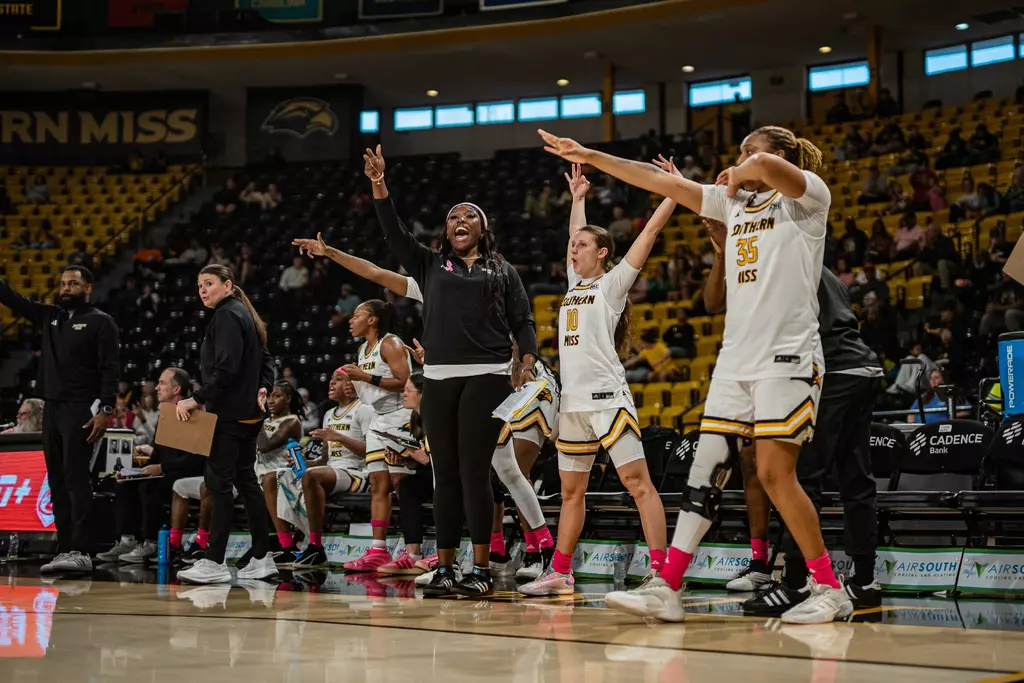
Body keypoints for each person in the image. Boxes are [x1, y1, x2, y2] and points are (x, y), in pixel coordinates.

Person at [539, 124, 851, 623]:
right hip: (734, 361)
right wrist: (593, 156)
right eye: (741, 152)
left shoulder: (809, 199)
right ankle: (666, 585)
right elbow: (658, 183)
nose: (742, 158)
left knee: (773, 474)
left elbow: (769, 170)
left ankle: (828, 588)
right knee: (703, 475)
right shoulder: (733, 205)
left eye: (751, 150)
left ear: (782, 156)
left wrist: (743, 170)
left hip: (788, 358)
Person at [292, 233, 559, 580]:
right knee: (494, 470)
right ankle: (504, 549)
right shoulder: (436, 282)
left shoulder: (496, 280)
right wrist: (331, 252)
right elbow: (376, 273)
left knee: (509, 469)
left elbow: (517, 331)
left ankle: (538, 548)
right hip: (479, 383)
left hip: (522, 381)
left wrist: (518, 362)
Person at [366, 144, 538, 598]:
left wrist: (527, 358)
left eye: (469, 216)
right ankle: (444, 568)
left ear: (483, 228)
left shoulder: (503, 270)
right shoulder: (428, 263)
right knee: (444, 473)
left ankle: (479, 568)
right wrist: (379, 184)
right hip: (438, 378)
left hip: (488, 376)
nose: (460, 221)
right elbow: (393, 233)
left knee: (475, 472)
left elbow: (523, 319)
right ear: (447, 230)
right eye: (453, 217)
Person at [519, 160, 672, 598]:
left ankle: (660, 572)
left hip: (608, 401)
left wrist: (672, 194)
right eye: (574, 246)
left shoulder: (613, 285)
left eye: (582, 246)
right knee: (571, 492)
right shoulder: (573, 285)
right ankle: (561, 572)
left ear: (602, 253)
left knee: (638, 484)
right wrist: (579, 197)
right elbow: (574, 233)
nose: (574, 249)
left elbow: (648, 236)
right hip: (573, 405)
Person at [715, 265, 883, 613]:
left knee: (800, 479)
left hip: (831, 370)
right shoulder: (819, 262)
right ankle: (864, 581)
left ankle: (796, 583)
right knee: (857, 481)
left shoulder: (782, 260)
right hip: (862, 367)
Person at [0, 266, 119, 573]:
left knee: (76, 480)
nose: (66, 288)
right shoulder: (49, 316)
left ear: (88, 287)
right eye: (63, 283)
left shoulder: (101, 322)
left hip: (80, 409)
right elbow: (12, 299)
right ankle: (64, 548)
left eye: (73, 284)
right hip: (50, 407)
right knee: (56, 481)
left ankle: (82, 550)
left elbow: (110, 371)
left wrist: (105, 411)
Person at [174, 265, 276, 585]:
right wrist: (263, 387)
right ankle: (262, 557)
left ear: (228, 285)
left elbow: (227, 368)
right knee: (246, 482)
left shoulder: (227, 315)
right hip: (247, 415)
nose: (203, 290)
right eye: (199, 285)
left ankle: (214, 560)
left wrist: (197, 398)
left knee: (218, 485)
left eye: (209, 284)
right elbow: (267, 360)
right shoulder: (243, 314)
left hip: (229, 416)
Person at [96, 368, 207, 565]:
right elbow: (158, 453)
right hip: (167, 470)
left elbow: (196, 461)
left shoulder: (195, 415)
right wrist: (137, 469)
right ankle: (127, 540)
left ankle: (152, 542)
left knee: (149, 486)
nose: (156, 387)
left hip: (188, 474)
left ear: (176, 389)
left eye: (162, 383)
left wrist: (161, 467)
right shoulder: (165, 416)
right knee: (123, 482)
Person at [337, 299, 414, 572]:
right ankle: (378, 550)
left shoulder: (390, 343)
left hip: (400, 417)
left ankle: (411, 549)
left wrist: (366, 379)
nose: (350, 320)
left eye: (356, 315)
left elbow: (406, 381)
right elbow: (371, 390)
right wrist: (354, 388)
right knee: (378, 485)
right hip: (377, 420)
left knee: (403, 486)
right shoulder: (362, 349)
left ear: (372, 320)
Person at [291, 369, 375, 569]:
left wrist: (339, 437)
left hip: (357, 473)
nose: (331, 383)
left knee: (312, 477)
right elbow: (326, 460)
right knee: (282, 476)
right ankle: (288, 543)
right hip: (332, 471)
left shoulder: (364, 410)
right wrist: (304, 461)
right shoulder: (329, 414)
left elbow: (372, 453)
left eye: (338, 380)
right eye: (331, 379)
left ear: (352, 385)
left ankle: (315, 546)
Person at [255, 381, 306, 565]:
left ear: (288, 399)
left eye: (276, 396)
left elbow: (265, 446)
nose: (270, 400)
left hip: (282, 474)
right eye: (268, 396)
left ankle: (287, 546)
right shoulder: (267, 421)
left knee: (266, 481)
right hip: (258, 472)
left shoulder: (292, 421)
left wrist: (256, 419)